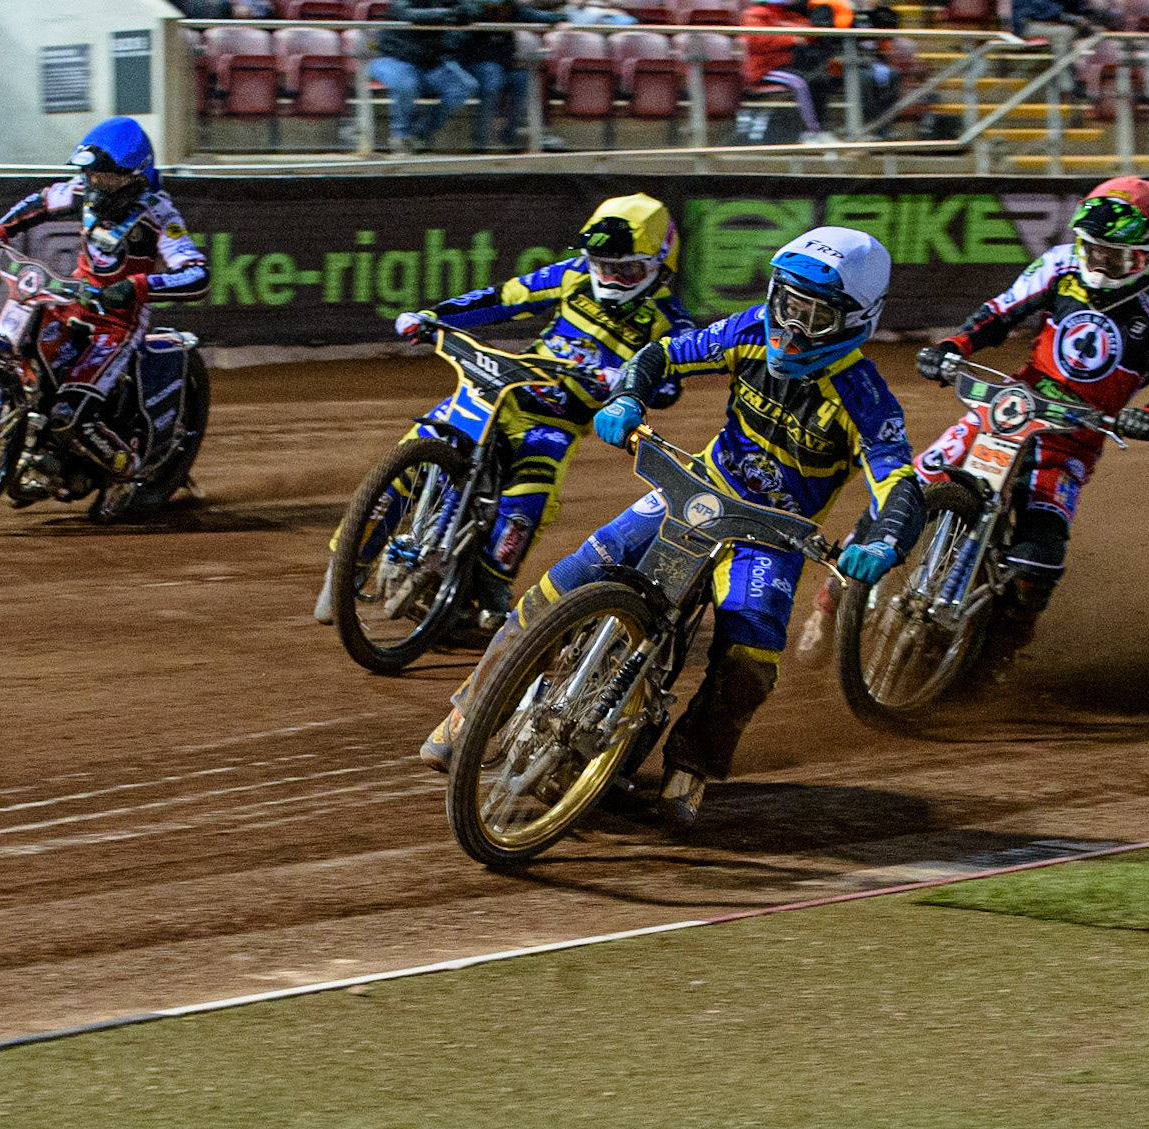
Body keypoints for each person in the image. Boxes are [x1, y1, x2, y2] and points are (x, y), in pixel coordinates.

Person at [419, 226, 926, 831]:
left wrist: (884, 542)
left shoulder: (865, 397)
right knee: (559, 585)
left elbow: (900, 482)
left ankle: (692, 765)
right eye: (787, 304)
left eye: (814, 316)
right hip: (695, 489)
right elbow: (662, 353)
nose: (791, 326)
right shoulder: (747, 330)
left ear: (855, 320)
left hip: (770, 535)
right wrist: (628, 398)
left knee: (749, 657)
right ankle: (469, 709)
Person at [802, 178, 1149, 667]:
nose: (1097, 264)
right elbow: (998, 314)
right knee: (907, 487)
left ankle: (1001, 654)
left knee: (1038, 559)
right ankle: (830, 603)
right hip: (1006, 410)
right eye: (1091, 249)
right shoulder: (1060, 265)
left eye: (1115, 258)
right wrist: (952, 349)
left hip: (1070, 440)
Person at [315, 193, 695, 629]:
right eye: (603, 266)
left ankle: (492, 589)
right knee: (413, 456)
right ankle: (346, 565)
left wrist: (625, 382)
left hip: (554, 423)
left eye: (626, 269)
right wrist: (432, 316)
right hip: (503, 388)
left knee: (527, 498)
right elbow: (504, 298)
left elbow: (669, 382)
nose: (610, 277)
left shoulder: (670, 319)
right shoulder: (573, 276)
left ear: (659, 264)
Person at [0, 117, 209, 517]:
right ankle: (36, 456)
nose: (95, 185)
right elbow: (42, 202)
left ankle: (124, 474)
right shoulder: (83, 189)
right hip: (73, 301)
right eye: (90, 175)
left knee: (70, 418)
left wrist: (137, 286)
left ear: (133, 177)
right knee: (36, 370)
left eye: (106, 179)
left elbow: (197, 274)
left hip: (117, 323)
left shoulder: (159, 213)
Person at [371, 0, 482, 154]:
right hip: (394, 59)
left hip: (430, 62)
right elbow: (405, 13)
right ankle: (401, 137)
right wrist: (446, 14)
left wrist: (461, 11)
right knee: (406, 84)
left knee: (465, 86)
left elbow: (472, 9)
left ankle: (420, 133)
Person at [454, 0, 560, 152]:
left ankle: (509, 135)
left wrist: (561, 18)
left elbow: (534, 15)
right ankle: (480, 141)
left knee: (523, 79)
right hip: (477, 64)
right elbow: (468, 12)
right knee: (492, 75)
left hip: (504, 66)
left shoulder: (511, 7)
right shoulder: (473, 5)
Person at [742, 0, 840, 143]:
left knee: (819, 80)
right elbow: (758, 42)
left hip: (787, 66)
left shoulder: (788, 15)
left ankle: (820, 130)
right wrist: (792, 39)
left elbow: (810, 32)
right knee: (800, 83)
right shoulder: (755, 14)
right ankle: (810, 132)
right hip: (765, 70)